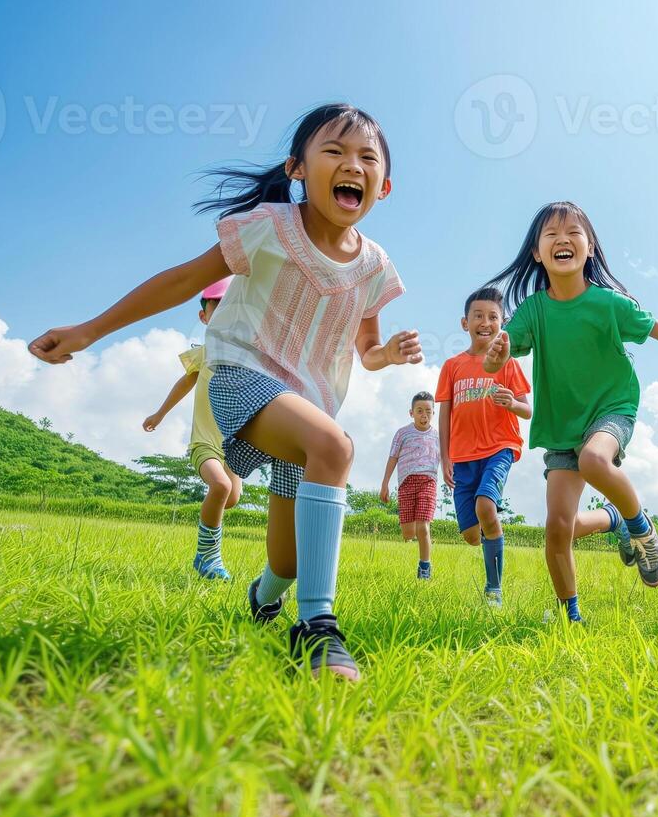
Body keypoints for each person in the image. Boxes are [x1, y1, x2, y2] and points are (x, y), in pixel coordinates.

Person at [29, 103, 421, 680]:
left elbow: (367, 350)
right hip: (241, 374)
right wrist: (90, 330)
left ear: (383, 187)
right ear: (297, 169)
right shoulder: (270, 226)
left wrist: (388, 356)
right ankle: (317, 630)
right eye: (334, 152)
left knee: (287, 563)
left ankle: (265, 598)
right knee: (335, 448)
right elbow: (186, 279)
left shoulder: (375, 267)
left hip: (308, 404)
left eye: (367, 158)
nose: (352, 165)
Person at [482, 201, 658, 622]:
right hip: (561, 425)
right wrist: (497, 354)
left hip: (612, 407)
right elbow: (497, 362)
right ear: (536, 252)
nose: (562, 239)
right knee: (557, 529)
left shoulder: (608, 303)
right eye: (551, 234)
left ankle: (641, 527)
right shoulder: (532, 311)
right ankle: (573, 614)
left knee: (595, 459)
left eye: (573, 233)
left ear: (589, 247)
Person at [437, 286, 628, 606]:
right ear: (464, 323)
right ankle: (608, 518)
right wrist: (444, 457)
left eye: (493, 317)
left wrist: (512, 403)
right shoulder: (452, 366)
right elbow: (445, 413)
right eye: (478, 316)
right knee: (471, 535)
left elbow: (528, 410)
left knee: (486, 506)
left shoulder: (507, 363)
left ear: (504, 323)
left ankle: (493, 589)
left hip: (499, 447)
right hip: (462, 455)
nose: (485, 322)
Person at [142, 277, 244, 580]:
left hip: (233, 444)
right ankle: (207, 557)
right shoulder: (205, 352)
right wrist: (160, 414)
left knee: (233, 497)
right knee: (221, 487)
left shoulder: (246, 354)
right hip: (205, 443)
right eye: (218, 307)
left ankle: (206, 526)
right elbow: (185, 382)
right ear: (204, 316)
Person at [379, 392, 441, 580]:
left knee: (423, 526)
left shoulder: (438, 436)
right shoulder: (402, 433)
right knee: (408, 533)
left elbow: (448, 458)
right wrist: (385, 484)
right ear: (411, 413)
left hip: (428, 481)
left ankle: (425, 567)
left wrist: (450, 474)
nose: (424, 415)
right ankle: (424, 537)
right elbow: (393, 457)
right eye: (419, 411)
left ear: (433, 413)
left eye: (428, 411)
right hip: (406, 482)